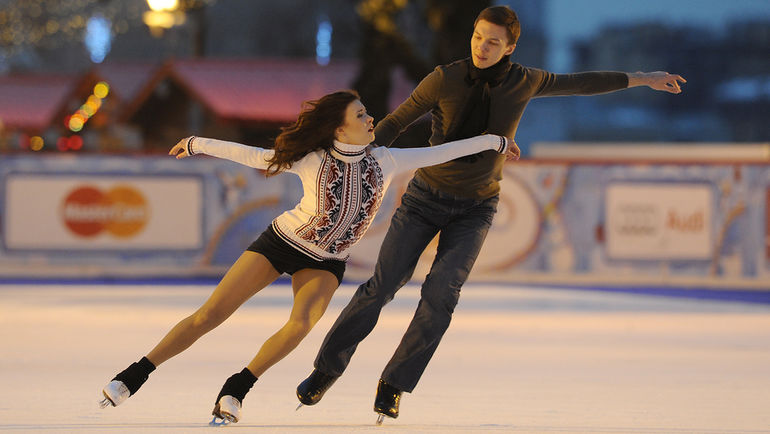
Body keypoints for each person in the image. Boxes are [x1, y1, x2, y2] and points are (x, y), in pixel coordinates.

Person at [297, 5, 686, 422]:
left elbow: (582, 83)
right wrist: (358, 159)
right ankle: (326, 370)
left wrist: (643, 78)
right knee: (383, 286)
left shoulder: (526, 81)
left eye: (494, 42)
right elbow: (397, 121)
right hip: (425, 199)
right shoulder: (443, 78)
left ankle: (394, 384)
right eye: (479, 37)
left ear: (510, 48)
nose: (483, 47)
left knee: (441, 296)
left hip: (477, 207)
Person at [98, 90, 514, 425]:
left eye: (368, 113)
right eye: (362, 114)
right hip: (282, 242)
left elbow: (445, 151)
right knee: (209, 316)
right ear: (339, 127)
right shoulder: (311, 158)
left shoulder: (386, 160)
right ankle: (132, 376)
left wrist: (496, 141)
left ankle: (236, 389)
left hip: (327, 261)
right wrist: (196, 143)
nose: (372, 120)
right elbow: (252, 155)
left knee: (300, 326)